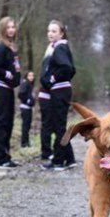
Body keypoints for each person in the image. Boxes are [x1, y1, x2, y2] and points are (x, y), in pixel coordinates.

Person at [40, 19, 77, 171]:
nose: (50, 33)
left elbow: (68, 68)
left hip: (60, 90)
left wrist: (52, 78)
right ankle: (69, 159)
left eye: (54, 31)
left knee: (59, 127)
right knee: (59, 126)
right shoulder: (56, 48)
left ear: (61, 33)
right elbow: (71, 69)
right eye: (49, 31)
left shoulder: (60, 48)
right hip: (60, 90)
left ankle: (58, 161)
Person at [0, 17, 21, 168]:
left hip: (8, 91)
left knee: (8, 123)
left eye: (13, 27)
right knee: (0, 122)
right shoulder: (1, 47)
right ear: (2, 30)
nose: (11, 30)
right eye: (8, 27)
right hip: (0, 90)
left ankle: (6, 156)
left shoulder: (10, 48)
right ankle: (0, 158)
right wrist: (7, 74)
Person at [18, 71, 36, 148]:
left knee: (28, 126)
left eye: (33, 75)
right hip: (25, 107)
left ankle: (27, 142)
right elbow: (20, 94)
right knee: (25, 126)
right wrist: (27, 101)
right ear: (26, 76)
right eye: (29, 75)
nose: (31, 77)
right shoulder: (25, 83)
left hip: (29, 108)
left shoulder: (30, 85)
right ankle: (24, 143)